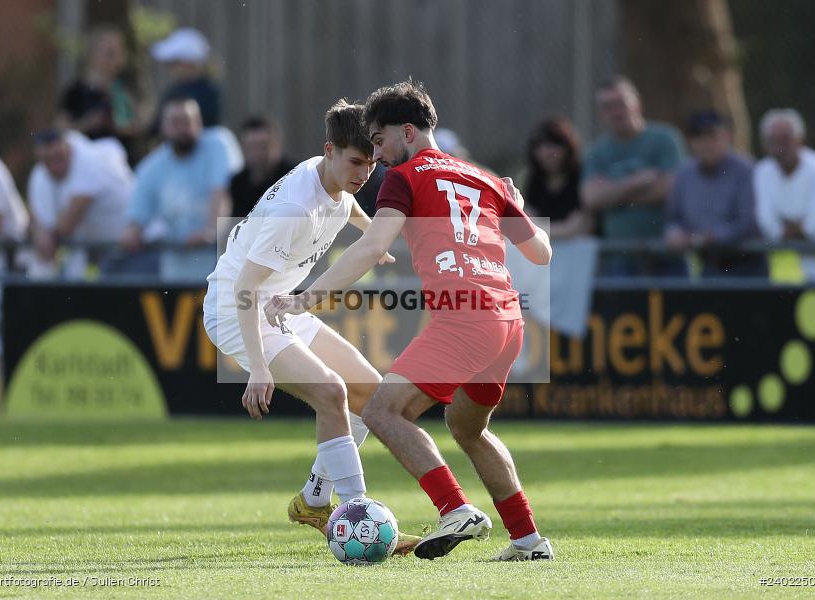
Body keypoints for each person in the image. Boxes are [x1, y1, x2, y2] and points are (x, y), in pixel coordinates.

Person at [265, 81, 554, 562]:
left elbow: (373, 246)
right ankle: (528, 540)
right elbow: (541, 253)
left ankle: (455, 508)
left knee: (381, 411)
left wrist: (307, 298)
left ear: (407, 131)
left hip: (463, 318)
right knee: (468, 428)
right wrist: (517, 205)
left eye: (378, 141)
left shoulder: (407, 176)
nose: (375, 154)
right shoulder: (487, 179)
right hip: (506, 320)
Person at [202, 100, 419, 554]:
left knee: (369, 391)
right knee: (331, 392)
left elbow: (347, 207)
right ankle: (360, 517)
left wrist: (370, 237)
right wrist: (259, 367)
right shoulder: (295, 210)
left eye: (371, 163)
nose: (364, 174)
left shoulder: (333, 179)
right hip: (237, 309)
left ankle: (315, 501)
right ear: (329, 151)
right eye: (356, 162)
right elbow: (244, 287)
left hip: (280, 306)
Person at [582, 76, 686, 275]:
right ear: (601, 113)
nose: (615, 111)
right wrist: (638, 181)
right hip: (618, 260)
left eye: (620, 103)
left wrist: (612, 193)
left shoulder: (665, 139)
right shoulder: (596, 152)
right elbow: (591, 198)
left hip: (668, 256)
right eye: (607, 106)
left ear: (637, 103)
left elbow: (671, 188)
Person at [121, 98, 235, 279]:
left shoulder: (217, 146)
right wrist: (132, 233)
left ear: (199, 124)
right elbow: (136, 216)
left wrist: (210, 231)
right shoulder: (150, 167)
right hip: (175, 265)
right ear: (163, 127)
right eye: (176, 123)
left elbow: (220, 193)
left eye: (188, 122)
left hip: (220, 260)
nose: (183, 129)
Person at [665, 110, 764, 277]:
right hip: (708, 267)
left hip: (747, 266)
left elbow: (748, 223)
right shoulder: (684, 173)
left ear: (727, 136)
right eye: (698, 137)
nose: (705, 143)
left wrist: (708, 238)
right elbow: (674, 217)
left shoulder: (746, 171)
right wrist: (674, 232)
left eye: (712, 135)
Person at [27, 129, 132, 278]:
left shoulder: (90, 162)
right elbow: (37, 220)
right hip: (98, 255)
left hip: (134, 251)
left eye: (57, 157)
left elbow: (67, 226)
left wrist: (44, 233)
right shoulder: (40, 173)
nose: (53, 165)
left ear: (67, 147)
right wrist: (39, 232)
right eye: (47, 159)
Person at [754, 109, 815, 281]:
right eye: (773, 141)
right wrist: (800, 226)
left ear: (800, 139)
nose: (780, 147)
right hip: (785, 275)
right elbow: (768, 224)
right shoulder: (762, 171)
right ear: (764, 145)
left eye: (786, 139)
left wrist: (788, 226)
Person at [523, 117, 592, 238]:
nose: (547, 153)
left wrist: (537, 232)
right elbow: (528, 222)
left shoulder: (582, 177)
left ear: (568, 148)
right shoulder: (534, 181)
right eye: (540, 147)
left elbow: (580, 227)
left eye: (553, 145)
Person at [151, 28, 222, 129]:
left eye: (174, 63)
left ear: (189, 63)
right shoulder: (173, 91)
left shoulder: (208, 92)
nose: (170, 69)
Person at [230, 115, 296, 218]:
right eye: (252, 147)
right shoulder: (238, 183)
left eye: (263, 147)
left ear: (277, 144)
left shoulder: (294, 177)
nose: (257, 154)